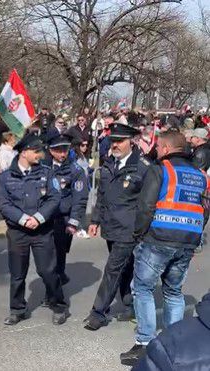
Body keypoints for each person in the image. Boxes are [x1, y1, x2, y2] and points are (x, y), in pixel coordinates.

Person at [119, 131, 210, 366]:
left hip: (158, 239)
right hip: (187, 240)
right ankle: (176, 341)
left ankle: (145, 342)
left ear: (167, 149)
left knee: (142, 288)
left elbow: (146, 205)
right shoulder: (201, 175)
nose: (156, 150)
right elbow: (205, 209)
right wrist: (194, 233)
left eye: (158, 147)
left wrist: (139, 234)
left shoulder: (161, 170)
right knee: (174, 291)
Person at [0, 133, 69, 325]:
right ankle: (17, 309)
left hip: (42, 231)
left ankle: (59, 305)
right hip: (18, 232)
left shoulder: (46, 173)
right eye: (36, 151)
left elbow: (54, 198)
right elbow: (3, 204)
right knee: (17, 274)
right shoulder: (5, 177)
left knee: (48, 271)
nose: (40, 154)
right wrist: (22, 219)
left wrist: (38, 217)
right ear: (24, 152)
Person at [84, 123, 150, 330]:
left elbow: (148, 202)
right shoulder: (108, 164)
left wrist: (143, 229)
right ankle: (129, 303)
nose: (115, 145)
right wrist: (95, 221)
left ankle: (98, 312)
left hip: (129, 229)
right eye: (113, 141)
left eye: (120, 141)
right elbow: (101, 196)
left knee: (113, 268)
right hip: (110, 227)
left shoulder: (143, 167)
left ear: (132, 141)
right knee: (125, 266)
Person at [43, 133, 88, 286]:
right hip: (44, 219)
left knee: (58, 254)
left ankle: (56, 286)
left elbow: (80, 198)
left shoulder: (75, 170)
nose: (62, 154)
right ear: (50, 150)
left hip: (62, 219)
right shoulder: (42, 167)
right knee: (46, 256)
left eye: (65, 150)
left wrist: (73, 222)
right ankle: (53, 283)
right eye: (58, 150)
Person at [131, 292, 210, 370]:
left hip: (175, 346)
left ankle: (144, 341)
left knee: (144, 290)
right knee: (174, 293)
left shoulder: (172, 348)